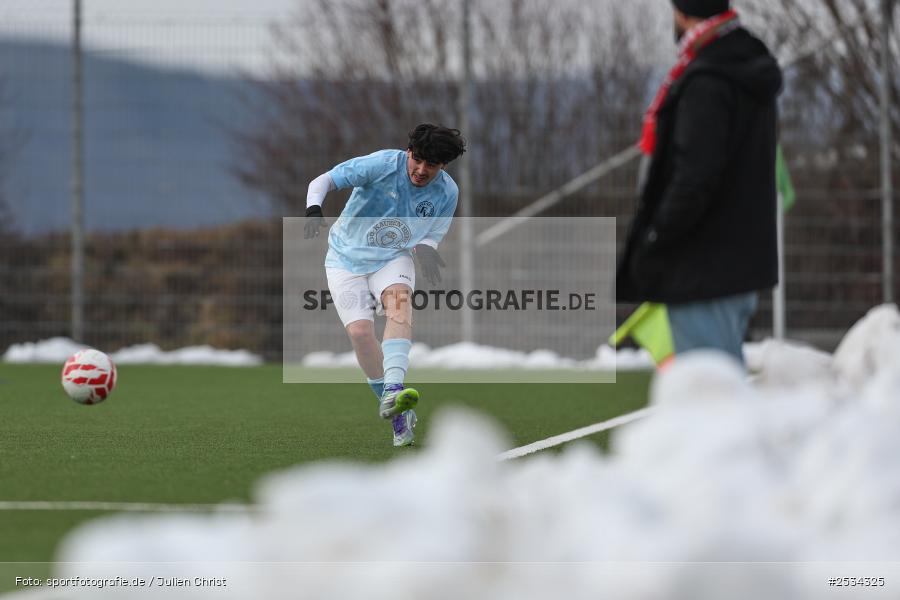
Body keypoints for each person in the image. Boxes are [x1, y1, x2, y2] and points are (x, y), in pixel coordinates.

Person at [616, 0, 783, 365]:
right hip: (734, 261)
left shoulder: (706, 79)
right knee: (724, 384)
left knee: (710, 396)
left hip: (702, 268)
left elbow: (694, 179)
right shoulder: (743, 64)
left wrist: (656, 236)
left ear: (683, 12)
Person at [305, 124, 466, 446]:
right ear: (408, 152)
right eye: (417, 160)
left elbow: (432, 233)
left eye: (431, 165)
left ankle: (394, 388)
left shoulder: (447, 192)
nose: (421, 170)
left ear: (443, 165)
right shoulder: (380, 164)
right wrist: (313, 208)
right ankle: (396, 413)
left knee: (399, 309)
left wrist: (428, 251)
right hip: (344, 257)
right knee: (360, 333)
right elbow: (324, 180)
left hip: (393, 257)